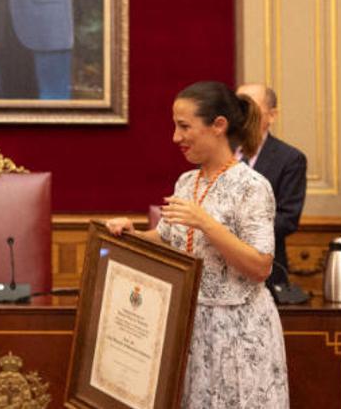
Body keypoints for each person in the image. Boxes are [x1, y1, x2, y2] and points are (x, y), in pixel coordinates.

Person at [107, 81, 289, 408]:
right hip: (191, 326)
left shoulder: (252, 186)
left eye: (184, 126)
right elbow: (168, 238)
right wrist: (131, 235)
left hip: (240, 332)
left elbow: (261, 266)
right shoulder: (187, 182)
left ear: (218, 126)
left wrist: (205, 222)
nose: (176, 137)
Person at [235, 83, 307, 294]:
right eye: (239, 107)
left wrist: (231, 231)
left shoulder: (290, 158)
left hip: (265, 270)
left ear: (272, 115)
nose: (243, 115)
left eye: (251, 107)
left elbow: (288, 218)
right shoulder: (218, 152)